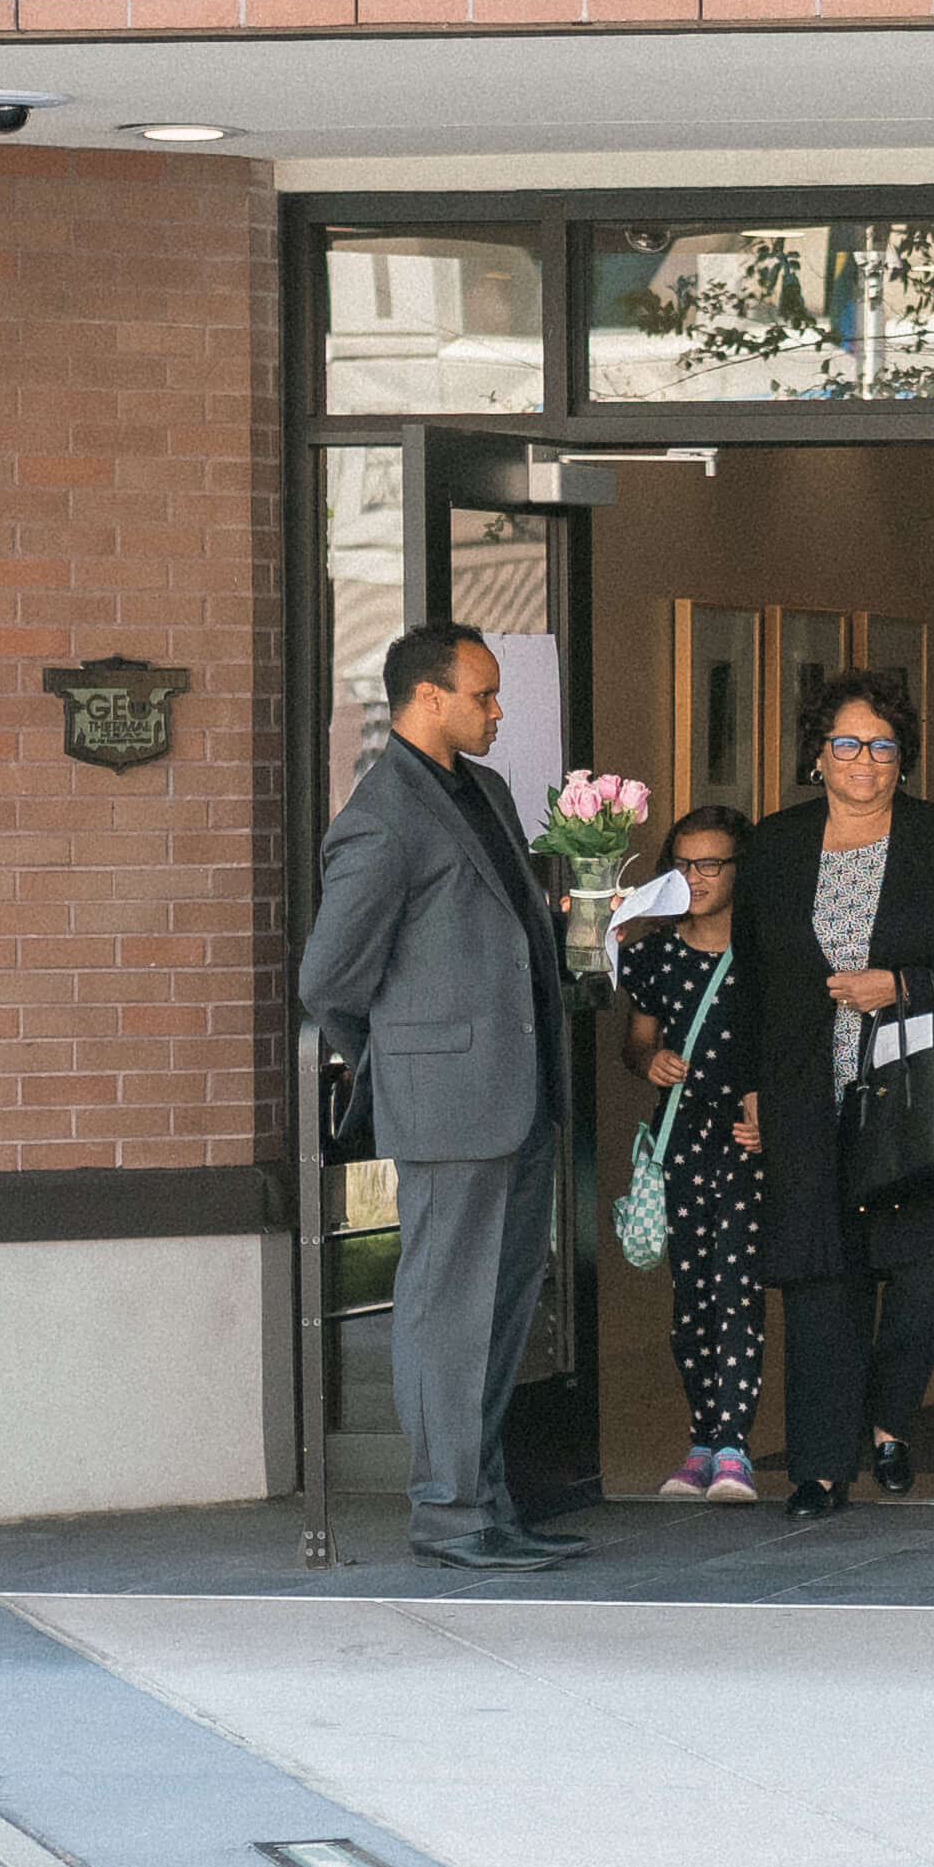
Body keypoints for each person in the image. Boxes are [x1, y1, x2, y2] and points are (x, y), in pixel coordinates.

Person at [299, 621, 587, 1573]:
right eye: (484, 695)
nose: (499, 710)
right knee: (444, 1314)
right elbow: (329, 978)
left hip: (519, 1090)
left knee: (501, 1313)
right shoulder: (382, 813)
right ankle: (448, 1515)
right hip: (451, 1100)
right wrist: (402, 1060)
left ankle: (486, 1503)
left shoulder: (487, 790)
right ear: (428, 699)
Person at [739, 668, 934, 1518]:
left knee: (931, 1279)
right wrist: (752, 1090)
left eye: (884, 746)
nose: (866, 761)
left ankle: (893, 1412)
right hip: (808, 1098)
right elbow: (753, 977)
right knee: (825, 1288)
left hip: (918, 1104)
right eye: (848, 744)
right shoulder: (777, 846)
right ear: (817, 758)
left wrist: (900, 981)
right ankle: (822, 1470)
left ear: (904, 759)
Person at [616, 803, 762, 1503]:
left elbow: (797, 1044)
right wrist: (652, 1061)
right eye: (682, 863)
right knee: (691, 1301)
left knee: (737, 1295)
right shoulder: (651, 953)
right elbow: (634, 1042)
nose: (695, 876)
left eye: (710, 864)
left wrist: (773, 1108)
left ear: (740, 868)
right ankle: (702, 1441)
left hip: (746, 1141)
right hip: (681, 1140)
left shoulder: (770, 951)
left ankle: (734, 1447)